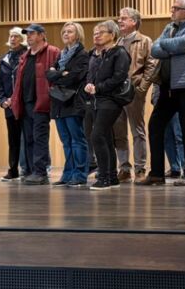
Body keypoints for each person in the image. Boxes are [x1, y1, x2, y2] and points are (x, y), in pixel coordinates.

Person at [141, 0, 185, 186]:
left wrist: (167, 44)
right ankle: (157, 173)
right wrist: (171, 45)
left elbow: (181, 43)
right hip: (167, 86)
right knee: (155, 125)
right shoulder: (170, 28)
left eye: (176, 8)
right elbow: (154, 50)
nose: (172, 11)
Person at [9, 24, 60, 185]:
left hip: (41, 102)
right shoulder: (25, 56)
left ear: (42, 35)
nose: (28, 36)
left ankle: (41, 172)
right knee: (29, 138)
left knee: (40, 138)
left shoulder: (52, 52)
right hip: (25, 103)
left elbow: (58, 75)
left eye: (32, 33)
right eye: (28, 34)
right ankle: (31, 171)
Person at [84, 20, 132, 190]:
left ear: (112, 35)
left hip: (111, 100)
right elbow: (90, 74)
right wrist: (89, 84)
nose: (96, 35)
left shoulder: (120, 53)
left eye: (101, 32)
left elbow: (119, 77)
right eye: (95, 33)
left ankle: (104, 177)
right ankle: (112, 177)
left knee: (97, 136)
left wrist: (98, 87)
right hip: (96, 100)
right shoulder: (96, 54)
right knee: (106, 137)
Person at [47, 22, 90, 187]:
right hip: (59, 102)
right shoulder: (61, 54)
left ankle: (79, 175)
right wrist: (61, 73)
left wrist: (57, 74)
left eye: (70, 31)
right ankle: (68, 174)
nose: (65, 34)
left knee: (77, 140)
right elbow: (48, 74)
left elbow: (74, 78)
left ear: (78, 34)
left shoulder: (82, 55)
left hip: (73, 102)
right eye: (64, 31)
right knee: (66, 141)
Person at [115, 8, 154, 182]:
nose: (119, 21)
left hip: (134, 91)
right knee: (118, 132)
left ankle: (140, 169)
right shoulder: (116, 42)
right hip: (116, 94)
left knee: (137, 131)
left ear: (134, 21)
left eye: (124, 18)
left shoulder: (144, 41)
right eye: (119, 18)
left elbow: (152, 66)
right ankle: (124, 168)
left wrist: (142, 88)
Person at [0, 27, 27, 181]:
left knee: (29, 138)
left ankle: (32, 169)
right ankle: (13, 170)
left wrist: (17, 98)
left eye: (16, 36)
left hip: (25, 104)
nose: (13, 39)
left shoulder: (28, 55)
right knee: (13, 140)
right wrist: (2, 100)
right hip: (9, 106)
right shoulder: (5, 59)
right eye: (11, 36)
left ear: (23, 39)